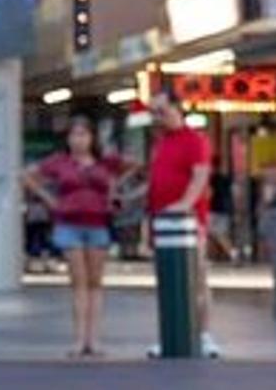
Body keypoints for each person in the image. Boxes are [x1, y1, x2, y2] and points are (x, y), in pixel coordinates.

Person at [24, 116, 131, 358]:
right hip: (69, 223)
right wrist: (50, 199)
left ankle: (94, 339)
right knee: (78, 282)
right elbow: (28, 176)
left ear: (92, 138)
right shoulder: (60, 162)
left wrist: (114, 188)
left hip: (97, 223)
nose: (78, 140)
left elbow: (133, 165)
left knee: (95, 283)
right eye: (74, 135)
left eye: (83, 135)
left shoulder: (105, 162)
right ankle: (79, 338)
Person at [146, 88, 221, 358]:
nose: (157, 117)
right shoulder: (161, 142)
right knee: (167, 281)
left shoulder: (195, 140)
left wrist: (184, 206)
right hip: (162, 222)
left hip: (187, 223)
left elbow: (200, 177)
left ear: (177, 108)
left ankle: (203, 335)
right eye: (153, 112)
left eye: (161, 111)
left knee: (197, 278)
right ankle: (170, 335)